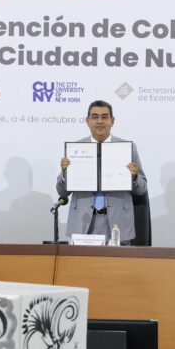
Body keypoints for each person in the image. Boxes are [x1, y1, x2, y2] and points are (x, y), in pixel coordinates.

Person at [56, 100, 147, 243]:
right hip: (83, 222)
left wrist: (134, 177)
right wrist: (64, 173)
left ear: (112, 121)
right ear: (87, 121)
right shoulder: (76, 148)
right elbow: (62, 192)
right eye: (95, 117)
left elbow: (142, 189)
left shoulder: (127, 148)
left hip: (118, 223)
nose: (99, 121)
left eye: (104, 117)